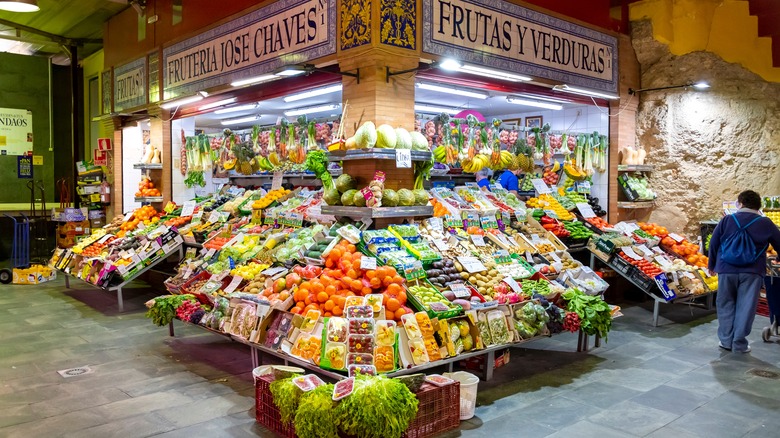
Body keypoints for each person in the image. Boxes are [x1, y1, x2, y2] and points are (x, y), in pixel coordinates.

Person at [708, 190, 780, 353]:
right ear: (758, 206)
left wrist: (711, 265)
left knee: (725, 303)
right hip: (752, 272)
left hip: (726, 269)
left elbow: (714, 243)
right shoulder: (766, 223)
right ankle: (739, 344)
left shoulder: (727, 220)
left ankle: (726, 341)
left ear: (739, 203)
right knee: (746, 307)